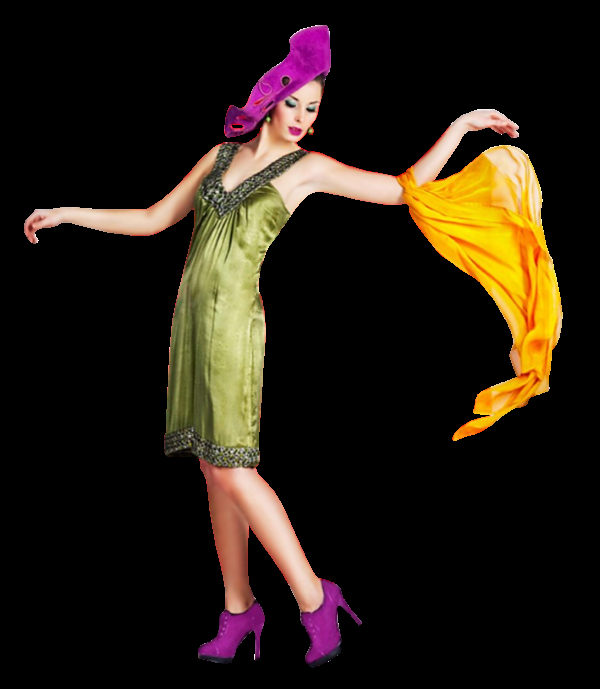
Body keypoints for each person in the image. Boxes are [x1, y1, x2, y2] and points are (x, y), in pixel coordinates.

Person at [24, 24, 560, 666]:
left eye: (314, 108)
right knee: (211, 467)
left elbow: (401, 190)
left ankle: (314, 598)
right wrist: (69, 215)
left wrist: (460, 127)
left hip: (234, 328)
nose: (303, 117)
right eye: (295, 103)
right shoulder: (219, 157)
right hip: (188, 322)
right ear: (271, 98)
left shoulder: (309, 168)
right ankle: (238, 609)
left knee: (234, 467)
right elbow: (153, 219)